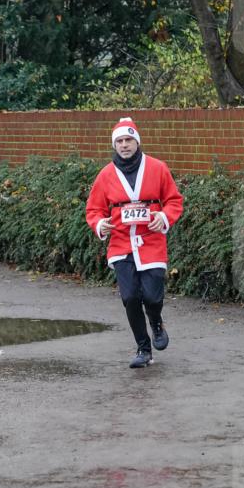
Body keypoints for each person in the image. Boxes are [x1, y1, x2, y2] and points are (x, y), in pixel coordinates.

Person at [86, 116, 183, 368]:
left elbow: (174, 200)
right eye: (120, 141)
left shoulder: (157, 168)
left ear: (137, 142)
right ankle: (143, 348)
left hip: (151, 242)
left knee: (151, 297)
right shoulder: (106, 174)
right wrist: (100, 224)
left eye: (129, 139)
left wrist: (163, 216)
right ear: (114, 145)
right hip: (121, 243)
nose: (125, 145)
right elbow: (93, 209)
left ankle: (156, 322)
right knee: (130, 297)